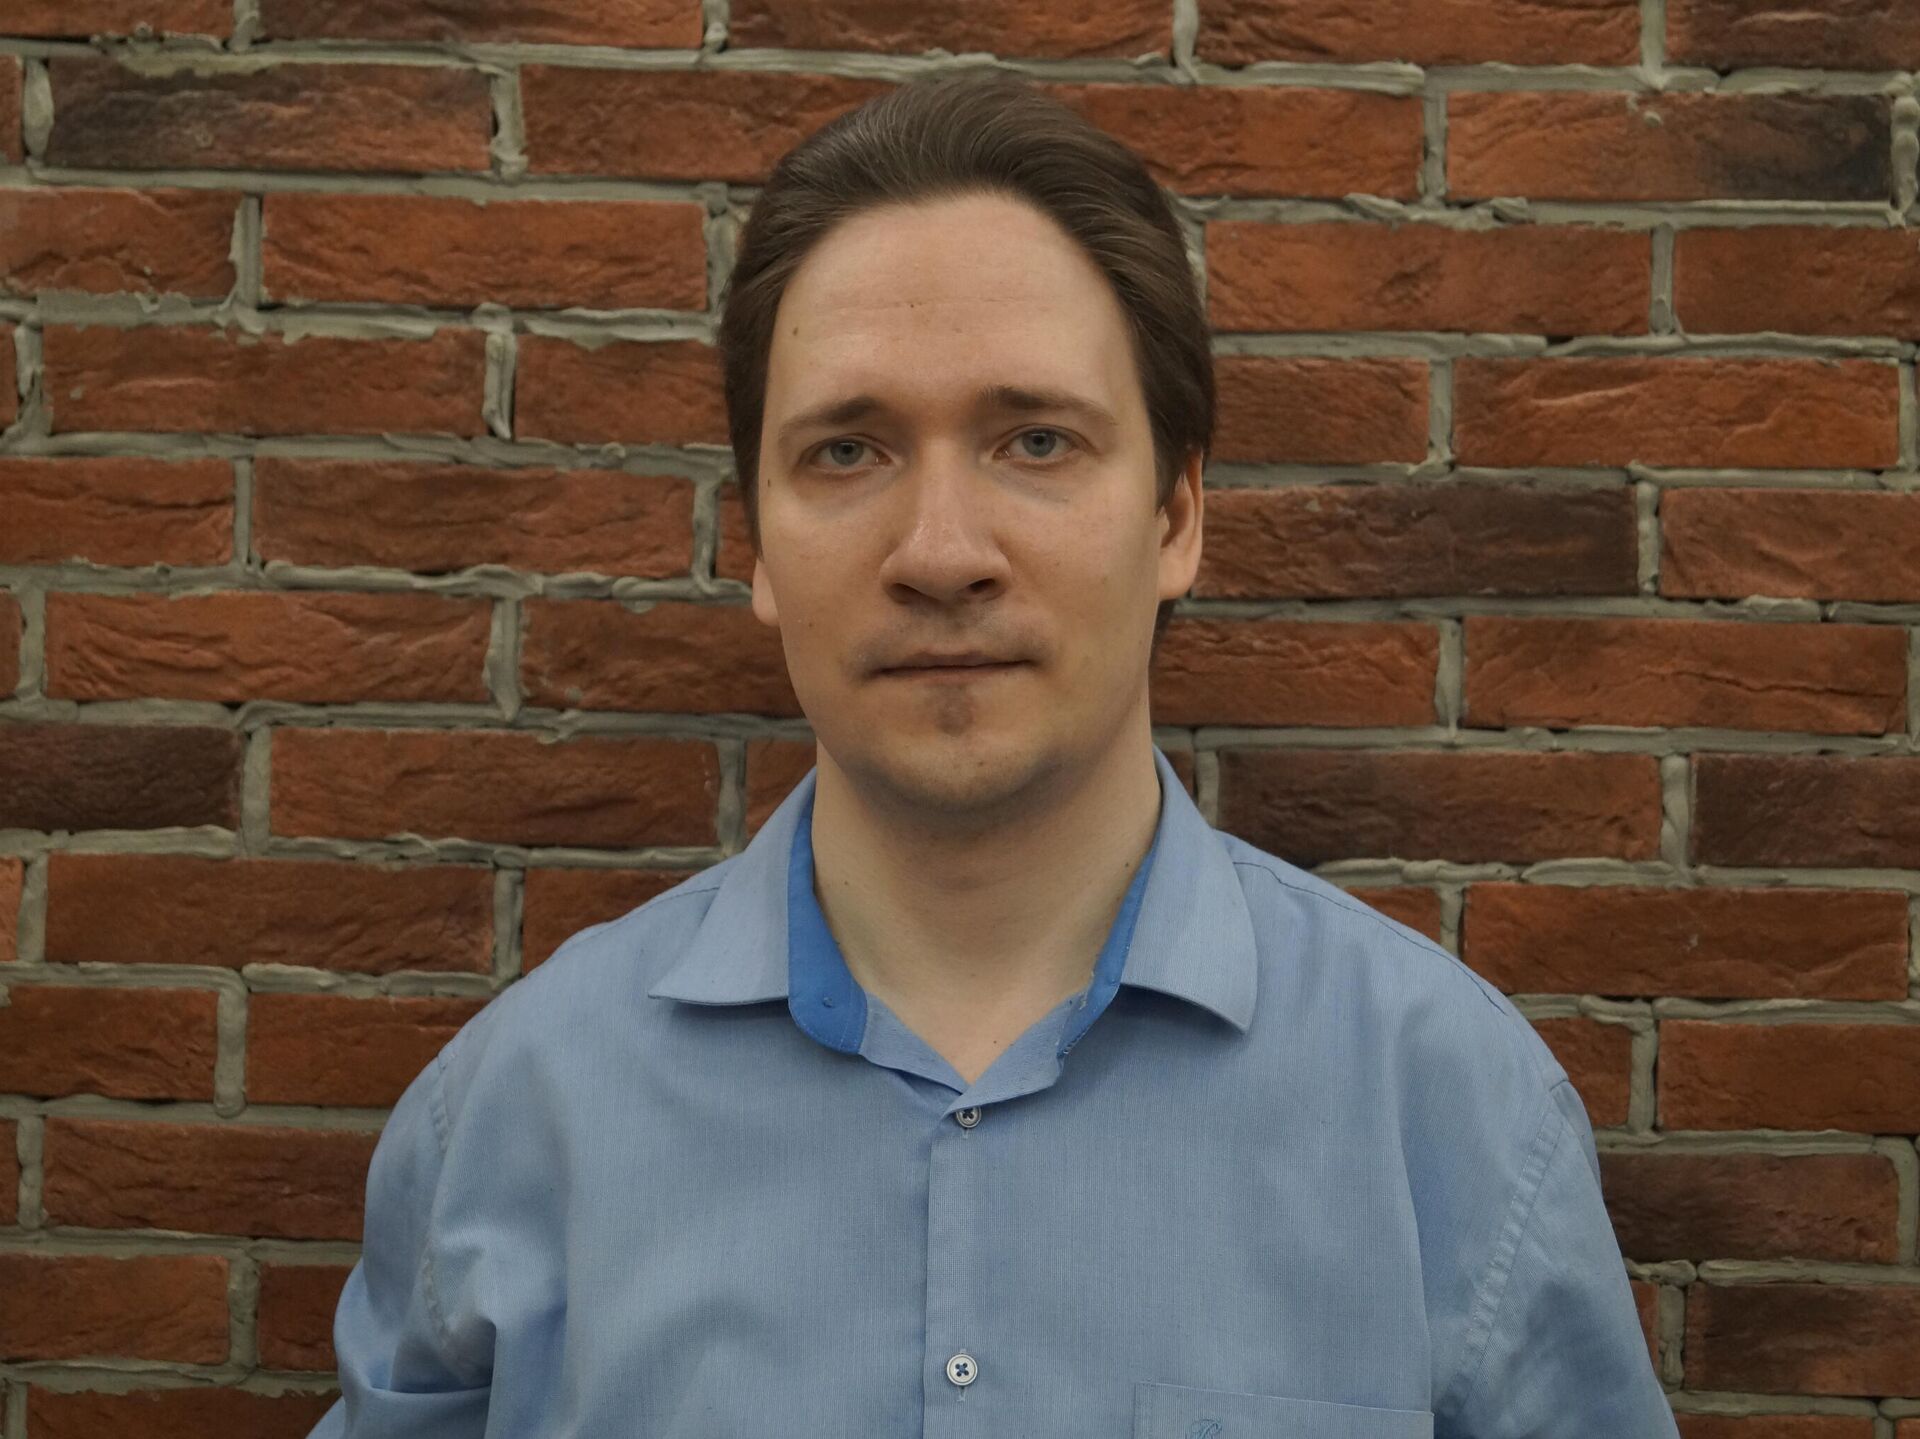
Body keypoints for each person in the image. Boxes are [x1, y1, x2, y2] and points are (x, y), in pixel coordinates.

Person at [313, 69, 1679, 1438]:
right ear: (755, 547)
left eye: (1035, 441)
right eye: (848, 452)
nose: (941, 553)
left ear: (1176, 519)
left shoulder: (1448, 1113)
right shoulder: (512, 1122)